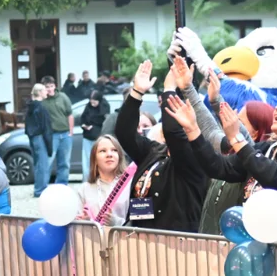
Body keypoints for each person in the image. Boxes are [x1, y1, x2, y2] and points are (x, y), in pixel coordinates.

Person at [167, 90, 277, 244]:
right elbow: (218, 167)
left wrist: (236, 138)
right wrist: (193, 130)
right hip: (257, 243)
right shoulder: (266, 148)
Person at [115, 59, 208, 232]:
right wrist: (137, 92)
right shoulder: (154, 151)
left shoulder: (197, 158)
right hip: (141, 237)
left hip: (177, 243)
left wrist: (169, 89)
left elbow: (174, 134)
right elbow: (124, 133)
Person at [77, 135, 130, 227]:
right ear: (95, 159)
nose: (109, 154)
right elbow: (76, 224)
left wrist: (117, 223)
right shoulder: (84, 189)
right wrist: (87, 222)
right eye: (103, 151)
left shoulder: (131, 184)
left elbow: (141, 223)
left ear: (119, 156)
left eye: (114, 150)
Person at [40, 76, 74, 185]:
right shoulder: (42, 101)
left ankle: (62, 185)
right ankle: (44, 186)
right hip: (52, 136)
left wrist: (71, 131)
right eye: (47, 87)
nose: (50, 89)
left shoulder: (63, 97)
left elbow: (70, 115)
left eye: (51, 86)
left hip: (65, 135)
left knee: (64, 163)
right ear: (43, 88)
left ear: (55, 86)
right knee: (48, 162)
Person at [24, 84, 54, 198]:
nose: (47, 92)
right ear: (40, 92)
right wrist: (49, 145)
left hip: (33, 137)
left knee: (38, 164)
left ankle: (38, 188)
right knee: (43, 165)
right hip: (40, 137)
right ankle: (40, 190)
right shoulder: (41, 108)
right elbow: (46, 127)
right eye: (45, 90)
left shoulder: (31, 106)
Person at [79, 90, 110, 179]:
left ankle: (99, 178)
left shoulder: (104, 107)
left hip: (99, 137)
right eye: (91, 101)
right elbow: (83, 118)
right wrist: (84, 125)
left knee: (99, 159)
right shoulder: (88, 106)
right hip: (88, 136)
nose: (92, 104)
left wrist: (94, 126)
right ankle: (87, 179)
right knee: (87, 160)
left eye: (94, 102)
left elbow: (104, 122)